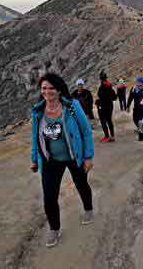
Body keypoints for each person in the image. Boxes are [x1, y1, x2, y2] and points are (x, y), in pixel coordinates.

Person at [30, 73, 94, 248]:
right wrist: (34, 159)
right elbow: (35, 137)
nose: (47, 91)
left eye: (51, 88)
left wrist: (88, 156)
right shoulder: (38, 111)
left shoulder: (72, 106)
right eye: (44, 88)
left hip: (75, 157)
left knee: (81, 184)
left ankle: (88, 209)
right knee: (49, 197)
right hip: (50, 160)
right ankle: (54, 229)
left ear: (58, 90)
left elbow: (86, 131)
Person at [96, 72, 117, 142]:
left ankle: (107, 136)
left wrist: (98, 102)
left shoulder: (102, 87)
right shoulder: (110, 86)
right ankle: (112, 136)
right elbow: (114, 97)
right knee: (109, 121)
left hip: (103, 107)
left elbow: (101, 97)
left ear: (101, 79)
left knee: (103, 121)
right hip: (110, 106)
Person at [127, 77, 143, 141]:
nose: (138, 85)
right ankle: (142, 129)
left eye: (140, 84)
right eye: (137, 83)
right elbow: (130, 98)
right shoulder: (134, 89)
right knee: (134, 119)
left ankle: (141, 138)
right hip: (136, 108)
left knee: (141, 122)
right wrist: (128, 106)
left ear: (142, 83)